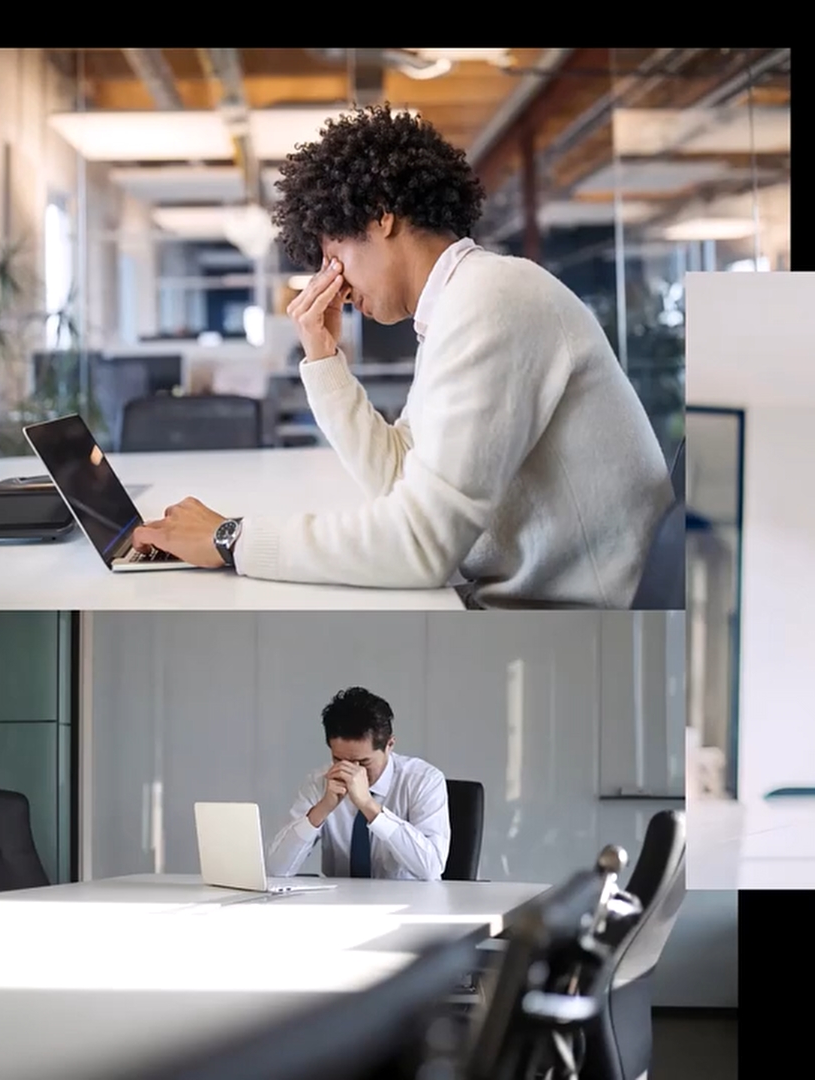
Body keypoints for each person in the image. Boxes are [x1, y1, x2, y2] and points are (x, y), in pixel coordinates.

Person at [132, 104, 673, 609]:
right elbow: (398, 477)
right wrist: (323, 360)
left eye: (332, 255)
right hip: (525, 609)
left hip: (575, 628)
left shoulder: (492, 299)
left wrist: (232, 539)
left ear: (380, 217)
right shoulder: (458, 305)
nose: (332, 283)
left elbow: (421, 545)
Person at [267, 686, 451, 880]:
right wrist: (322, 809)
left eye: (363, 762)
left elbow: (431, 868)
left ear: (390, 745)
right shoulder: (319, 782)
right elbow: (276, 869)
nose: (351, 772)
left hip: (409, 905)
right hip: (339, 904)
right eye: (338, 759)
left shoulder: (424, 780)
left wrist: (369, 806)